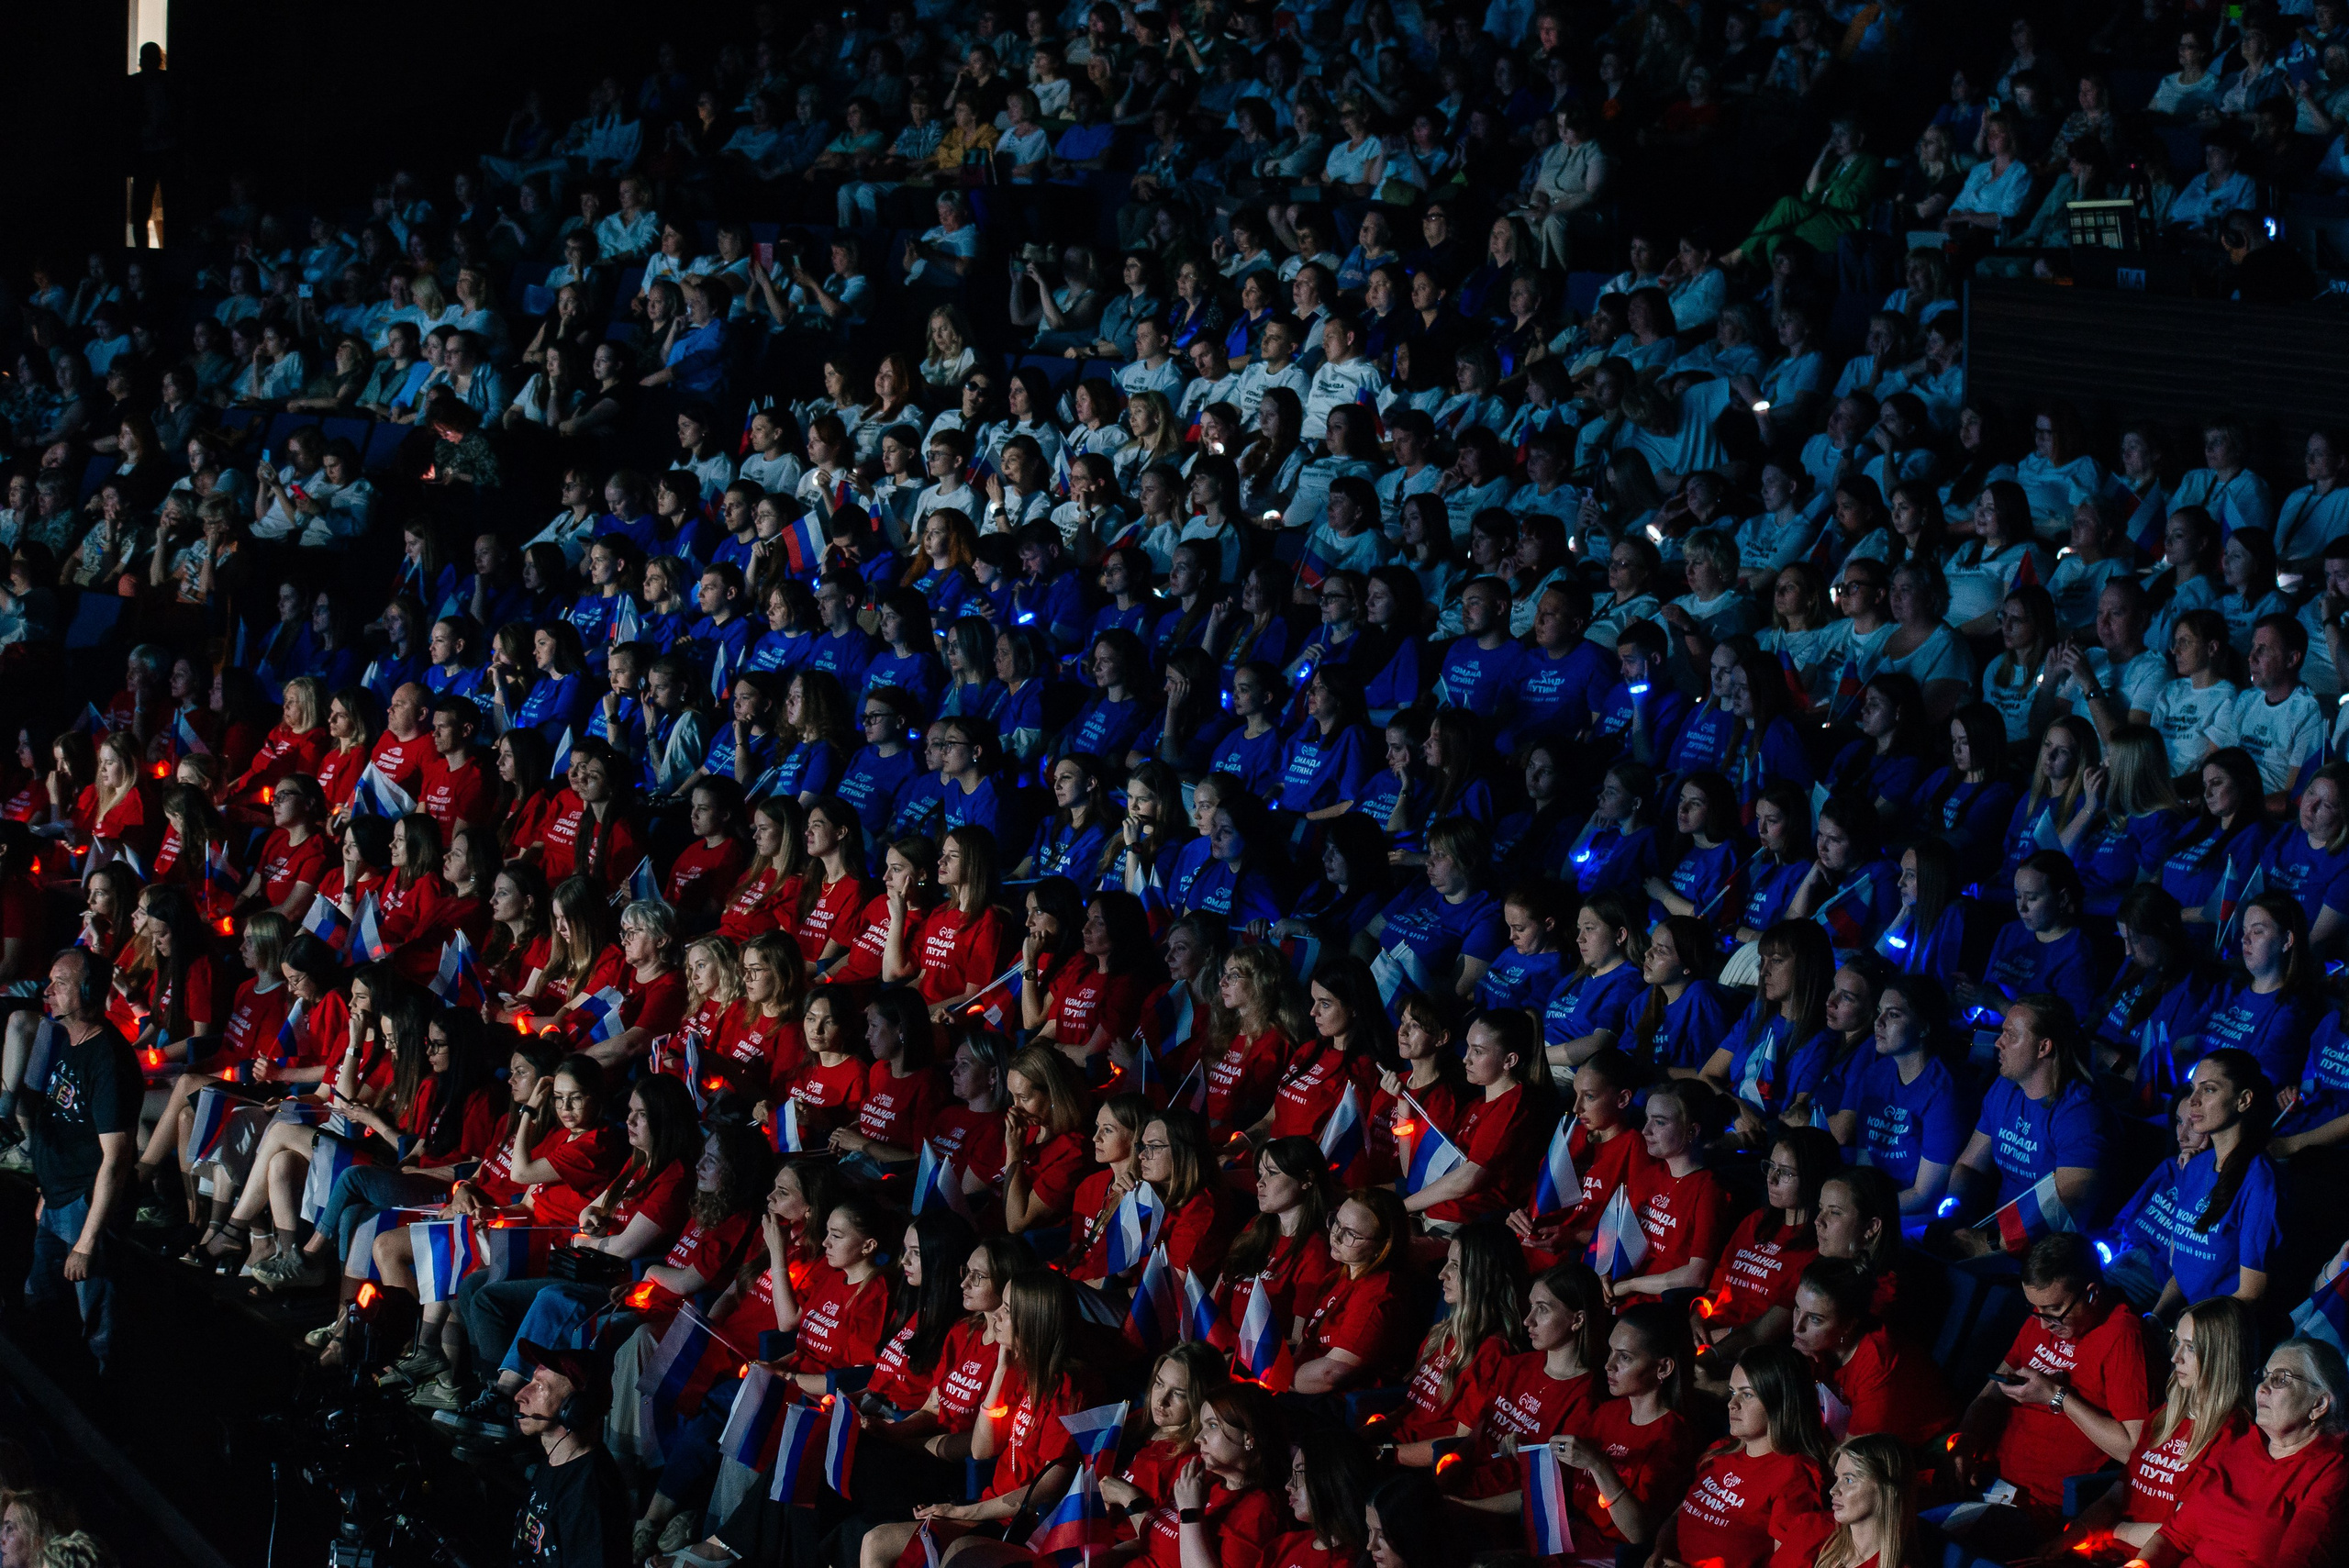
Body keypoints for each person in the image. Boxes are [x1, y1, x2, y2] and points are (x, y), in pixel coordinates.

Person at [1945, 1234, 2155, 1557]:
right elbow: (1991, 1393)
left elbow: (2134, 1449)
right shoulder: (2043, 1319)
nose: (2044, 1325)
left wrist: (2057, 1398)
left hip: (2037, 1508)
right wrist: (1968, 1439)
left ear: (2092, 1293)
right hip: (1987, 1478)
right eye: (2037, 1310)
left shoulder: (2122, 1337)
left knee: (1925, 1532)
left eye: (2054, 1310)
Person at [15, 950, 139, 1376]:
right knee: (40, 1295)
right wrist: (46, 1193)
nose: (47, 991)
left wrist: (87, 1241)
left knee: (98, 1320)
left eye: (60, 983)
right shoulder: (63, 1041)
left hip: (86, 1204)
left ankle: (107, 1408)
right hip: (56, 1200)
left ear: (88, 991)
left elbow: (117, 1160)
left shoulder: (109, 1061)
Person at [511, 1339, 631, 1567]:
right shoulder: (554, 1461)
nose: (520, 1395)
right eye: (530, 1382)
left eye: (540, 1387)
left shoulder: (591, 1493)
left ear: (575, 1409)